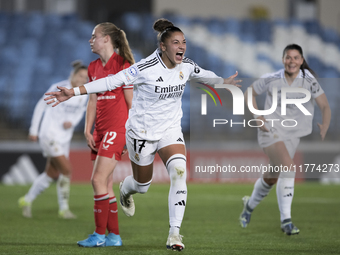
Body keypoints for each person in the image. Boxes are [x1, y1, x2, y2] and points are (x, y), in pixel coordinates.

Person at [45, 18, 241, 251]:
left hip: (170, 130)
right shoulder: (145, 68)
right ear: (163, 47)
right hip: (141, 133)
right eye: (176, 42)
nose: (182, 46)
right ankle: (126, 191)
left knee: (179, 173)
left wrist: (222, 82)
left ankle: (174, 234)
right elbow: (111, 81)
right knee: (142, 184)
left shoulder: (185, 65)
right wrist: (74, 92)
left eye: (184, 42)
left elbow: (201, 74)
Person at [239, 44, 331, 235]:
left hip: (292, 136)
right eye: (288, 57)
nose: (292, 61)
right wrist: (258, 117)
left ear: (301, 60)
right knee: (289, 168)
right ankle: (286, 221)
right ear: (283, 60)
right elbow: (249, 93)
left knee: (272, 177)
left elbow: (325, 106)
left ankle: (249, 206)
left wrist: (325, 124)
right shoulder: (271, 78)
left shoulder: (309, 81)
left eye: (296, 58)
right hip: (269, 131)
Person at [77, 22, 134, 248]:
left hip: (117, 129)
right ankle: (114, 236)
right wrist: (88, 128)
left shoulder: (124, 65)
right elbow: (92, 100)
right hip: (100, 131)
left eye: (94, 36)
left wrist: (130, 134)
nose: (91, 40)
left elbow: (132, 103)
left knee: (97, 180)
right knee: (107, 185)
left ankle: (99, 235)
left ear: (107, 39)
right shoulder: (92, 67)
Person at [18, 61, 88, 219]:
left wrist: (72, 122)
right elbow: (40, 106)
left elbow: (79, 113)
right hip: (49, 135)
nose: (83, 79)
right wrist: (33, 130)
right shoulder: (59, 87)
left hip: (64, 139)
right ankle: (64, 209)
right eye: (81, 75)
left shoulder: (83, 93)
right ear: (74, 75)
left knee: (51, 173)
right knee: (67, 170)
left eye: (86, 77)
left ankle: (26, 200)